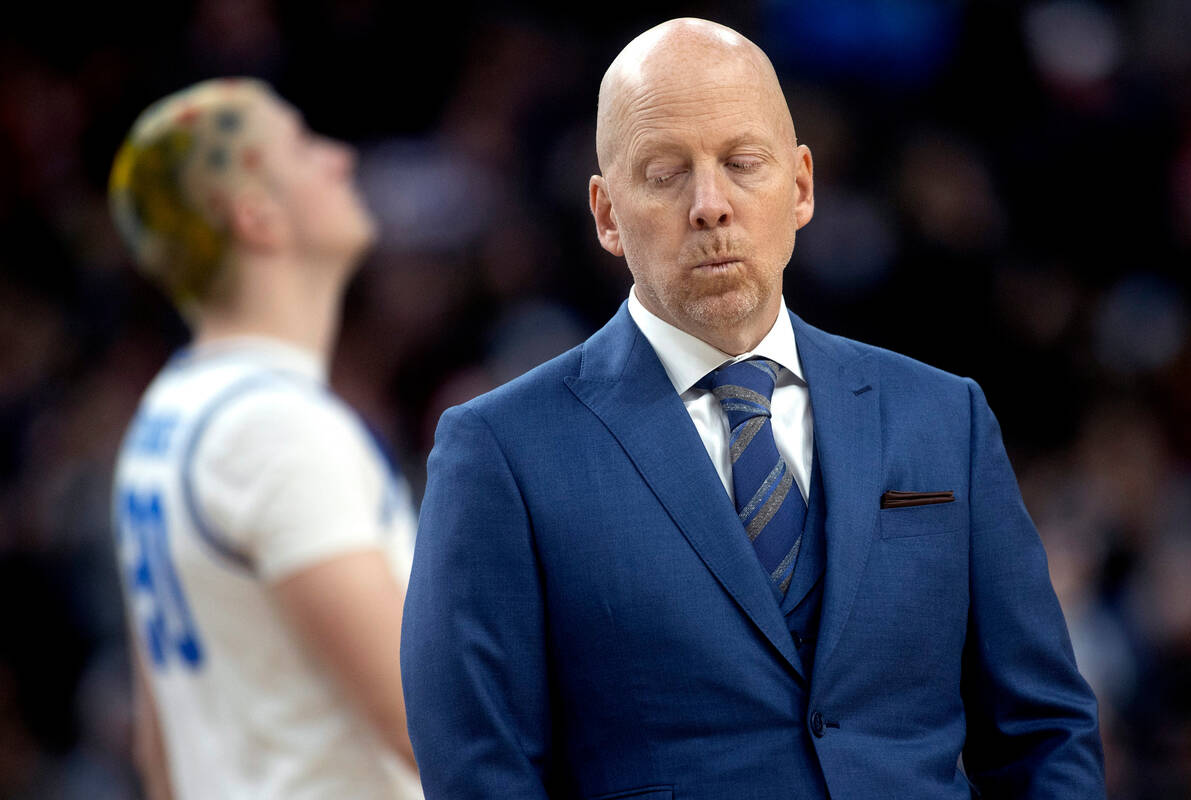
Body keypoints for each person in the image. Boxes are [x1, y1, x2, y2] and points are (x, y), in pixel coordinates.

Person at [402, 17, 1104, 800]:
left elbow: (1044, 736)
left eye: (742, 163)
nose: (711, 205)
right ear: (605, 213)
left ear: (800, 185)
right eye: (665, 173)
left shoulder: (947, 417)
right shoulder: (499, 452)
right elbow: (481, 776)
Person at [109, 78, 422, 799]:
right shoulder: (272, 430)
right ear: (256, 217)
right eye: (303, 146)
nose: (339, 159)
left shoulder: (166, 415)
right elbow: (424, 721)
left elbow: (159, 749)